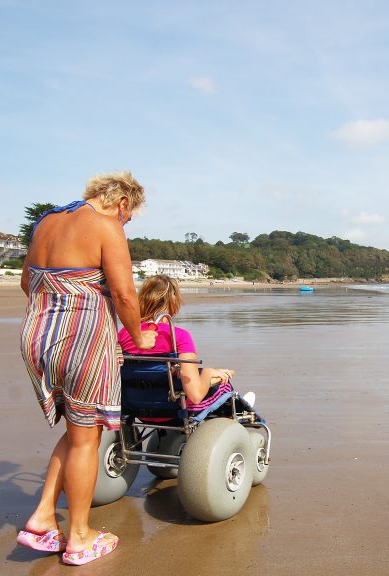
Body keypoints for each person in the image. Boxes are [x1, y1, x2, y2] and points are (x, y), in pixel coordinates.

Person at [17, 171, 156, 566]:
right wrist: (138, 334)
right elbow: (125, 293)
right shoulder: (105, 225)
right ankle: (79, 537)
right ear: (123, 204)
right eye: (128, 218)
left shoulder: (47, 221)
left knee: (77, 431)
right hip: (82, 336)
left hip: (37, 333)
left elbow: (28, 283)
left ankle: (43, 517)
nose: (125, 224)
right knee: (86, 439)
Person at [117, 274, 242, 410]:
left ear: (141, 299)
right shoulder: (179, 336)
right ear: (173, 302)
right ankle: (243, 410)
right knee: (224, 385)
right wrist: (208, 372)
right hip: (173, 409)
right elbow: (195, 396)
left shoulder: (125, 333)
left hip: (136, 406)